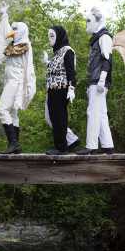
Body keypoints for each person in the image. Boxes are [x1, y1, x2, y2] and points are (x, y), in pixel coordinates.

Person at [0, 2, 36, 154]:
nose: (13, 31)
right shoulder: (14, 44)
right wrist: (4, 15)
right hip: (10, 81)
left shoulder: (24, 44)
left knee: (2, 109)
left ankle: (13, 143)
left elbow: (12, 51)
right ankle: (16, 146)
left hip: (16, 83)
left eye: (16, 29)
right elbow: (6, 33)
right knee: (13, 113)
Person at [76, 7, 115, 155]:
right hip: (95, 80)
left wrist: (101, 80)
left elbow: (107, 59)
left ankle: (91, 146)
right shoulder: (97, 39)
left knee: (93, 112)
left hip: (99, 81)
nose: (87, 23)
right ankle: (108, 145)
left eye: (89, 21)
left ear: (98, 21)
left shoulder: (104, 37)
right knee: (101, 113)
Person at [43, 26, 79, 155]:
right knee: (53, 118)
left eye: (52, 36)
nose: (50, 39)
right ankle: (61, 145)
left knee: (60, 118)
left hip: (61, 89)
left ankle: (62, 147)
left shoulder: (67, 51)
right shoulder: (56, 53)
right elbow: (56, 70)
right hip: (52, 90)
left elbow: (70, 72)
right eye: (49, 36)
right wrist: (48, 63)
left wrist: (71, 88)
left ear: (59, 36)